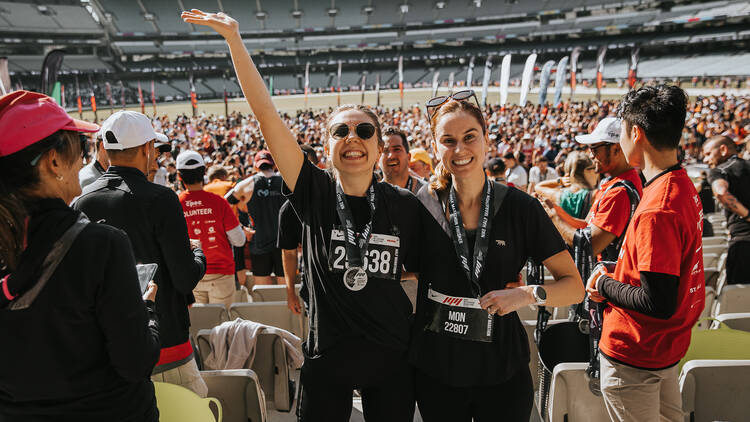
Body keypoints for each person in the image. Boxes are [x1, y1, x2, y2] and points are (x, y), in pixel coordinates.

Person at [183, 9, 421, 421]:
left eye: (365, 132)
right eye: (340, 131)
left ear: (380, 148)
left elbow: (427, 269)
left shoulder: (404, 202)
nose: (353, 139)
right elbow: (267, 116)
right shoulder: (313, 191)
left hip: (392, 355)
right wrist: (235, 41)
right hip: (327, 356)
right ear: (326, 148)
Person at [411, 93, 584, 422]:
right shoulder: (421, 205)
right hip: (438, 371)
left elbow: (574, 287)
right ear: (435, 146)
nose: (460, 150)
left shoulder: (520, 207)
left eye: (469, 138)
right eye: (448, 140)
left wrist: (525, 294)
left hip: (502, 370)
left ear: (487, 140)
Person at [0, 91, 160, 421]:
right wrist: (146, 308)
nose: (86, 160)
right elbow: (137, 361)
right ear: (53, 161)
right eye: (81, 149)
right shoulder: (101, 245)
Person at [585, 85, 704, 422]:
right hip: (663, 350)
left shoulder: (658, 208)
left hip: (636, 353)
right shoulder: (681, 184)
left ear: (635, 133)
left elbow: (658, 302)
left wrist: (604, 283)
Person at [73, 110, 209, 397]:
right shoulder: (161, 199)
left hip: (109, 352)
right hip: (166, 346)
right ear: (147, 148)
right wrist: (199, 255)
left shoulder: (81, 203)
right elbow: (184, 279)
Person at [542, 116, 643, 260]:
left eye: (594, 149)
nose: (591, 155)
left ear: (616, 149)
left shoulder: (619, 192)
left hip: (610, 276)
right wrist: (555, 211)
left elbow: (590, 246)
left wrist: (554, 219)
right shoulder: (612, 182)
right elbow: (586, 225)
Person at [178, 150, 247, 308]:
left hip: (191, 275)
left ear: (179, 176)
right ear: (203, 173)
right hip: (222, 274)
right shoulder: (219, 202)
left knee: (197, 328)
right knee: (224, 328)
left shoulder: (176, 203)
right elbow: (239, 240)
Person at [226, 150, 286, 285]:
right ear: (274, 165)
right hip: (283, 243)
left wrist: (241, 228)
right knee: (285, 290)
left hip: (259, 243)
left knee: (264, 292)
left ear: (255, 166)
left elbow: (223, 205)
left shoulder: (246, 185)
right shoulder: (286, 182)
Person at [703, 135, 750, 284]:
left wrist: (747, 215)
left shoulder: (720, 170)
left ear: (723, 150)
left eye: (708, 154)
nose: (705, 160)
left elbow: (721, 192)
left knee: (739, 300)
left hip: (743, 244)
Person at [535, 151, 598, 219]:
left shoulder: (559, 195)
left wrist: (560, 181)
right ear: (587, 171)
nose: (597, 171)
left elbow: (538, 187)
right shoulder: (596, 195)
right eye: (594, 168)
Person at [380, 126, 425, 194]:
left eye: (397, 149)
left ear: (408, 157)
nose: (391, 156)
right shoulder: (372, 198)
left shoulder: (428, 194)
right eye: (385, 151)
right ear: (377, 158)